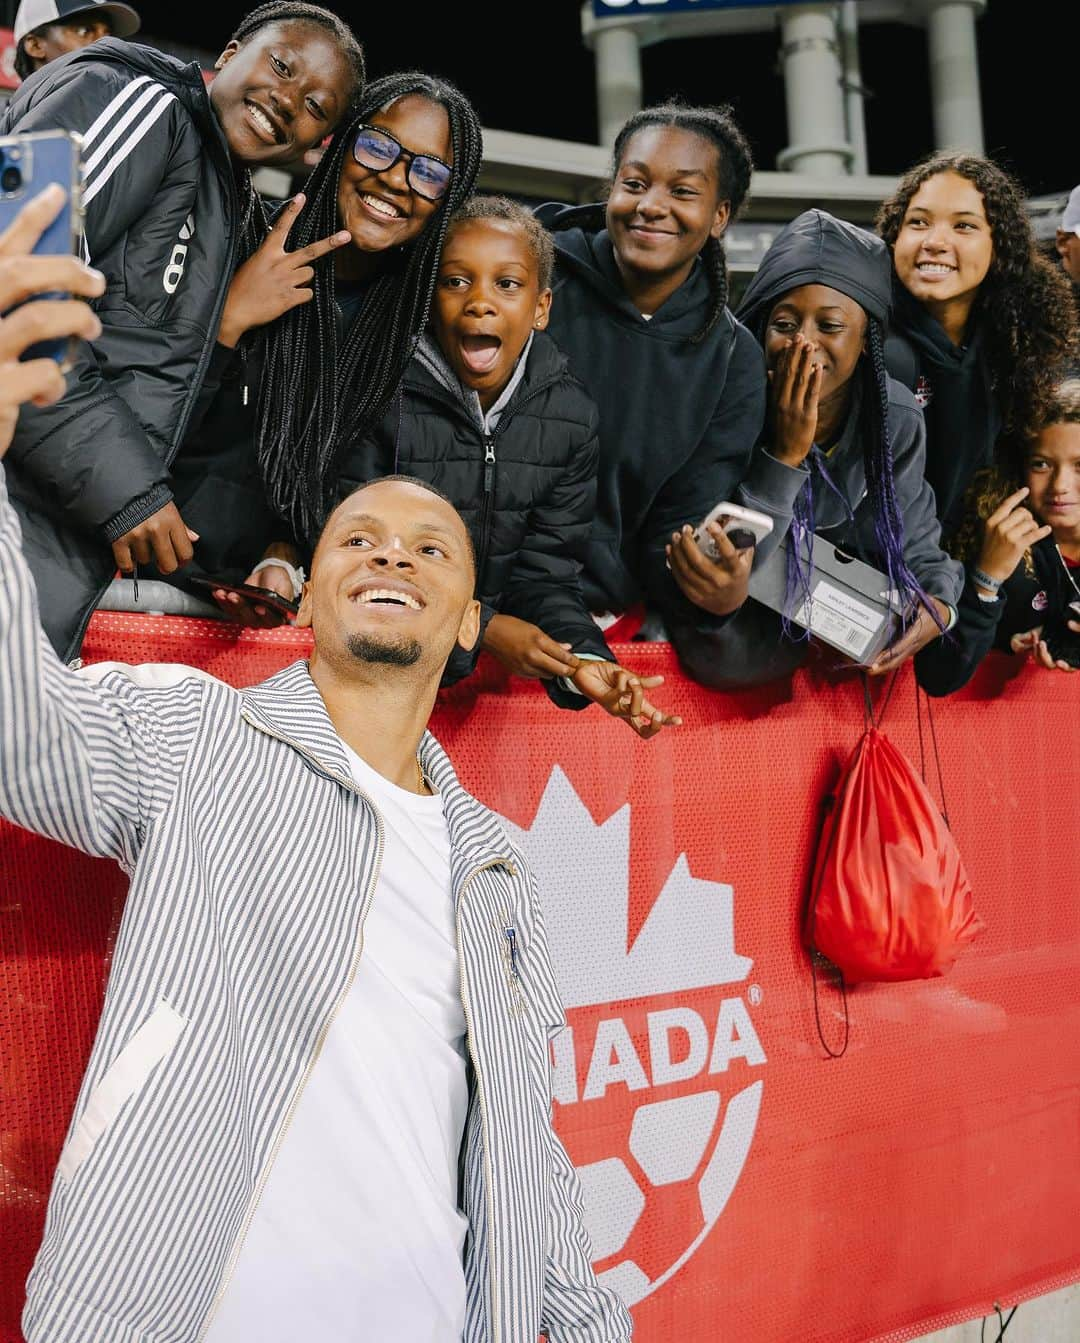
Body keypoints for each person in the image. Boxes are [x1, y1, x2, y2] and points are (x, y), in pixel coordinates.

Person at [0, 450, 635, 1338]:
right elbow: (18, 725)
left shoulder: (497, 864)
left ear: (468, 626)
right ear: (305, 598)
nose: (393, 559)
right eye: (359, 540)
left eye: (430, 551)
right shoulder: (196, 731)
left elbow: (525, 1140)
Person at [0, 1, 365, 660]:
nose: (286, 99)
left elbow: (140, 374)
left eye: (316, 104)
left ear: (317, 144)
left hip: (46, 554)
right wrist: (130, 491)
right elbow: (16, 296)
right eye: (281, 65)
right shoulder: (139, 99)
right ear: (229, 54)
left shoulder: (224, 194)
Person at [338, 194, 679, 737]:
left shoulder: (570, 416)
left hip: (461, 702)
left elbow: (546, 575)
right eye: (456, 282)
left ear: (541, 308)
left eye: (507, 284)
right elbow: (361, 560)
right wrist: (489, 629)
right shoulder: (382, 392)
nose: (480, 302)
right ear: (429, 298)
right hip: (368, 681)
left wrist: (587, 663)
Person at [169, 71, 483, 615]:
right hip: (134, 573)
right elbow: (143, 409)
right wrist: (229, 322)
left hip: (260, 608)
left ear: (446, 198)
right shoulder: (236, 244)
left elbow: (339, 482)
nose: (396, 179)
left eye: (429, 172)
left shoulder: (416, 329)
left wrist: (285, 559)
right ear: (340, 146)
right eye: (379, 147)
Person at [677, 209, 962, 687]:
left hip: (839, 639)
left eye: (830, 327)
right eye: (785, 324)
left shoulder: (895, 418)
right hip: (737, 634)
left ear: (867, 342)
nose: (803, 344)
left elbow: (920, 547)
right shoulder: (728, 403)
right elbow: (726, 560)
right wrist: (785, 455)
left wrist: (941, 606)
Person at [536, 101, 766, 654]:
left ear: (719, 216)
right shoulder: (531, 272)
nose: (651, 206)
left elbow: (678, 526)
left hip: (592, 625)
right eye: (634, 183)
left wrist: (712, 590)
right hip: (469, 596)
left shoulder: (734, 359)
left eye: (683, 192)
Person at [876, 152, 1077, 536]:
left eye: (964, 226)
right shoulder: (867, 345)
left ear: (998, 247)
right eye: (918, 222)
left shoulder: (1015, 353)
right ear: (893, 236)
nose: (935, 241)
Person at [916, 379, 1080, 695]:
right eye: (1041, 464)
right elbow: (937, 676)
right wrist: (986, 580)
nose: (1060, 484)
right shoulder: (1004, 538)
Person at [12, 0, 139, 81]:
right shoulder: (11, 122)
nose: (107, 43)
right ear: (35, 45)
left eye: (109, 35)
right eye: (84, 31)